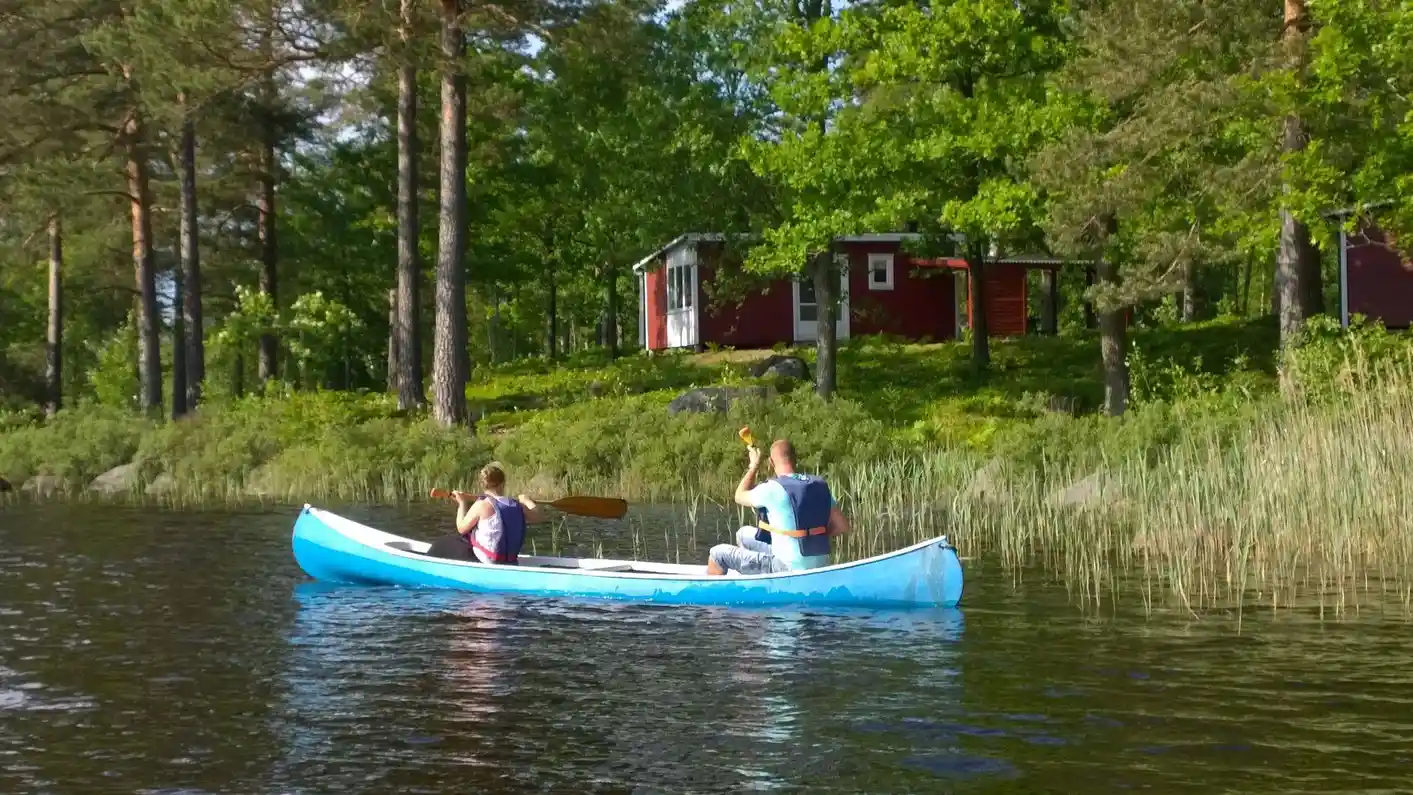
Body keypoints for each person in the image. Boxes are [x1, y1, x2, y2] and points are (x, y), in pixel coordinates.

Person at [706, 438, 850, 576]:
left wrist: (754, 465)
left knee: (717, 554)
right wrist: (812, 538)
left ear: (771, 463)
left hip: (785, 567)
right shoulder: (818, 486)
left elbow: (739, 495)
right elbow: (842, 526)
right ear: (795, 459)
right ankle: (755, 577)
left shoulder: (773, 488)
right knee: (743, 534)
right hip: (819, 564)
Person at [425, 464, 546, 564]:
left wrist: (462, 503)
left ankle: (429, 564)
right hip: (510, 561)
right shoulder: (517, 505)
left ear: (482, 484)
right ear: (503, 484)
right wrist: (526, 500)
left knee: (446, 542)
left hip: (486, 561)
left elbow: (461, 528)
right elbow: (538, 516)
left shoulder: (482, 505)